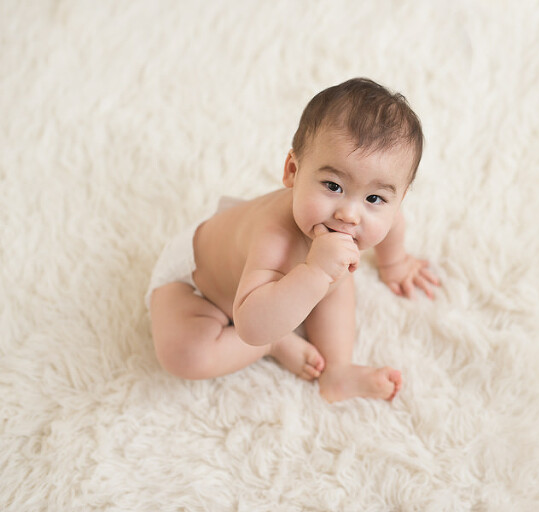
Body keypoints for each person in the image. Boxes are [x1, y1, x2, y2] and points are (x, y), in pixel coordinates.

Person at [145, 78, 440, 402]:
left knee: (337, 277)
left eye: (374, 198)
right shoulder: (274, 236)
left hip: (273, 286)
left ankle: (338, 372)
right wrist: (315, 273)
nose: (349, 215)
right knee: (184, 355)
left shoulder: (368, 216)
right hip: (198, 288)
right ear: (292, 171)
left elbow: (393, 224)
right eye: (333, 186)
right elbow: (251, 326)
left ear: (397, 198)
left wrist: (395, 263)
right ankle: (278, 343)